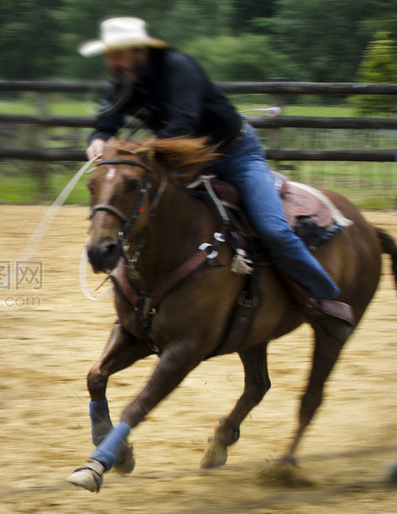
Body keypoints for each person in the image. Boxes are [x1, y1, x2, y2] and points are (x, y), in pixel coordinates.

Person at [79, 17, 355, 340]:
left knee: (272, 228)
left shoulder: (178, 67)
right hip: (180, 162)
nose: (113, 62)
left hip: (235, 155)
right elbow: (105, 124)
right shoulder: (122, 83)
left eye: (119, 54)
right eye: (110, 55)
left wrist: (140, 151)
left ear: (140, 50)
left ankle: (325, 296)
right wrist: (97, 140)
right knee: (152, 216)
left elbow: (183, 121)